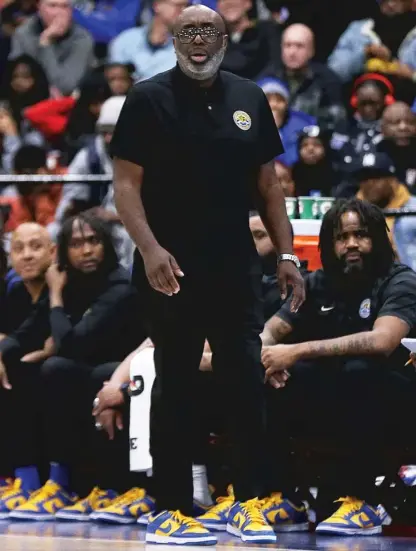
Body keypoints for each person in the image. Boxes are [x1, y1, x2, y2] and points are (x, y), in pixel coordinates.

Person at [111, 4, 305, 545]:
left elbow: (269, 187)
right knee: (175, 383)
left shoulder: (249, 98)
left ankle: (247, 502)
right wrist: (149, 248)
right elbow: (125, 187)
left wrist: (287, 257)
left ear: (225, 40)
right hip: (166, 266)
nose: (199, 40)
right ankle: (169, 509)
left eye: (209, 32)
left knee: (244, 384)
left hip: (234, 267)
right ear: (174, 39)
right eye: (189, 31)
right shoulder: (147, 97)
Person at [261, 198, 416, 535]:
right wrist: (257, 359)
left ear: (377, 237)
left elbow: (381, 341)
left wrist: (296, 351)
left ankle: (362, 502)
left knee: (358, 371)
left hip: (397, 398)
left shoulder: (400, 280)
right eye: (341, 237)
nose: (351, 245)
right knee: (277, 377)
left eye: (360, 235)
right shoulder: (316, 284)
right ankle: (287, 499)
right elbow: (271, 333)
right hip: (336, 396)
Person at [0, 212, 142, 520]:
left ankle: (101, 485)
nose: (86, 251)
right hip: (82, 375)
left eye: (94, 241)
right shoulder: (70, 281)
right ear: (65, 250)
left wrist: (54, 297)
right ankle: (36, 481)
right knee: (20, 369)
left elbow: (72, 344)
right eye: (76, 244)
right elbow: (24, 335)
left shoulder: (120, 286)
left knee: (65, 370)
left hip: (124, 374)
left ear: (107, 245)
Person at [267, 24, 346, 130]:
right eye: (288, 45)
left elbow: (337, 121)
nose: (292, 52)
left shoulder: (327, 81)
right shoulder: (269, 79)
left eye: (299, 46)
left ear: (311, 50)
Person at [9, 0, 95, 96]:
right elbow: (16, 79)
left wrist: (46, 43)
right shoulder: (24, 34)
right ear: (39, 8)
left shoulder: (83, 39)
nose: (59, 13)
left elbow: (66, 86)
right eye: (52, 6)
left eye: (65, 6)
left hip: (68, 103)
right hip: (28, 99)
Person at [355, 152, 416, 271]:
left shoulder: (414, 209)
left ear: (392, 180)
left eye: (377, 177)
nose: (370, 184)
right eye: (364, 178)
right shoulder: (352, 214)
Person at [109, 0, 189, 81]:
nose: (184, 12)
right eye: (178, 6)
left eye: (187, 6)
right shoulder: (126, 40)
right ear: (157, 6)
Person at [257, 76, 316, 167]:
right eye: (267, 99)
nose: (274, 105)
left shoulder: (303, 124)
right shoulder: (246, 125)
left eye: (280, 100)